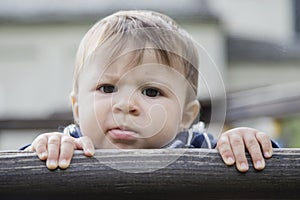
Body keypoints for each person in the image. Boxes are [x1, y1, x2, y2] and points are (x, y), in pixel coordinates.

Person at [23, 10, 278, 172]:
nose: (125, 105)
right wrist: (42, 150)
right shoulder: (72, 146)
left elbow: (277, 166)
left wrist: (244, 143)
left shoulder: (198, 147)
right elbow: (16, 173)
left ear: (186, 116)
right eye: (107, 88)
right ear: (77, 107)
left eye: (152, 92)